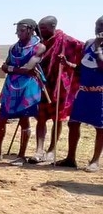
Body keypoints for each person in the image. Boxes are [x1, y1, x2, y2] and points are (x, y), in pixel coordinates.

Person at [0, 19, 46, 165]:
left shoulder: (39, 47)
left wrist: (11, 69)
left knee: (24, 120)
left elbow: (28, 68)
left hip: (28, 88)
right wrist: (14, 69)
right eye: (17, 30)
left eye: (21, 30)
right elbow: (5, 66)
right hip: (11, 87)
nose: (18, 33)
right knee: (1, 120)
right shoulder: (14, 48)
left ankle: (21, 156)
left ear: (30, 30)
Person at [31, 16, 84, 163]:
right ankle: (39, 150)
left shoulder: (67, 40)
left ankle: (51, 149)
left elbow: (83, 49)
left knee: (56, 118)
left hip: (60, 84)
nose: (41, 30)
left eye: (44, 27)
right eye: (40, 27)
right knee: (40, 117)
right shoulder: (39, 42)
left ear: (53, 26)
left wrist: (69, 64)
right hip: (42, 84)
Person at [55, 16, 103, 172]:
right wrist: (67, 64)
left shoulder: (96, 45)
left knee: (100, 128)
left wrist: (99, 48)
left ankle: (95, 161)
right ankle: (70, 158)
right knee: (73, 123)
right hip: (83, 92)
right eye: (96, 25)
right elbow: (82, 67)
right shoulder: (88, 43)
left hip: (100, 93)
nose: (98, 28)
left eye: (101, 25)